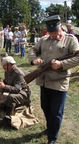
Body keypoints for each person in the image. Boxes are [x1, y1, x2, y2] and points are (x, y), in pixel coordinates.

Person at [28, 15, 79, 144]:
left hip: (59, 81)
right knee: (45, 107)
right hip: (44, 80)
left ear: (60, 27)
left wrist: (62, 64)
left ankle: (52, 138)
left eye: (55, 31)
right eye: (50, 32)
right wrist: (34, 60)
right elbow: (33, 49)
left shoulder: (70, 40)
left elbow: (77, 57)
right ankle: (50, 128)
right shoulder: (44, 39)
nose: (52, 34)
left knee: (56, 112)